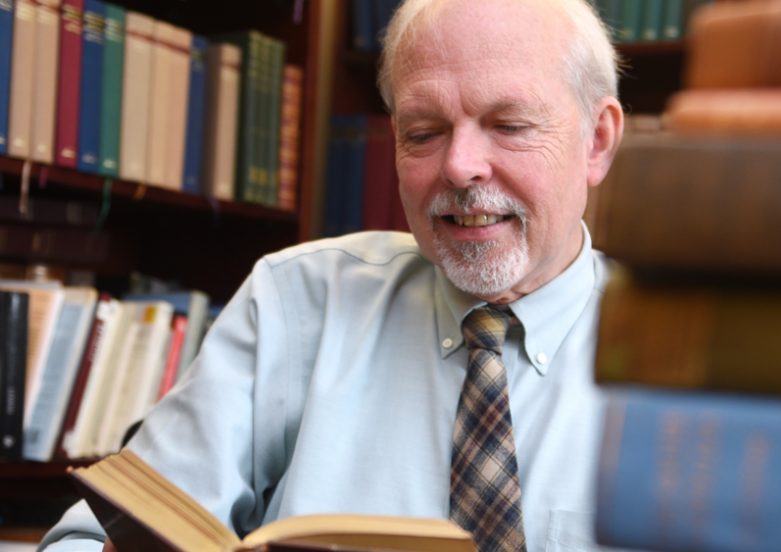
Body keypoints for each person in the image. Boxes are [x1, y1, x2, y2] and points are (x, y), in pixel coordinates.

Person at [40, 0, 624, 549]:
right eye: (423, 133)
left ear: (596, 142)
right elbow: (93, 534)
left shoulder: (687, 355)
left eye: (510, 125)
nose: (459, 166)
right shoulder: (296, 302)